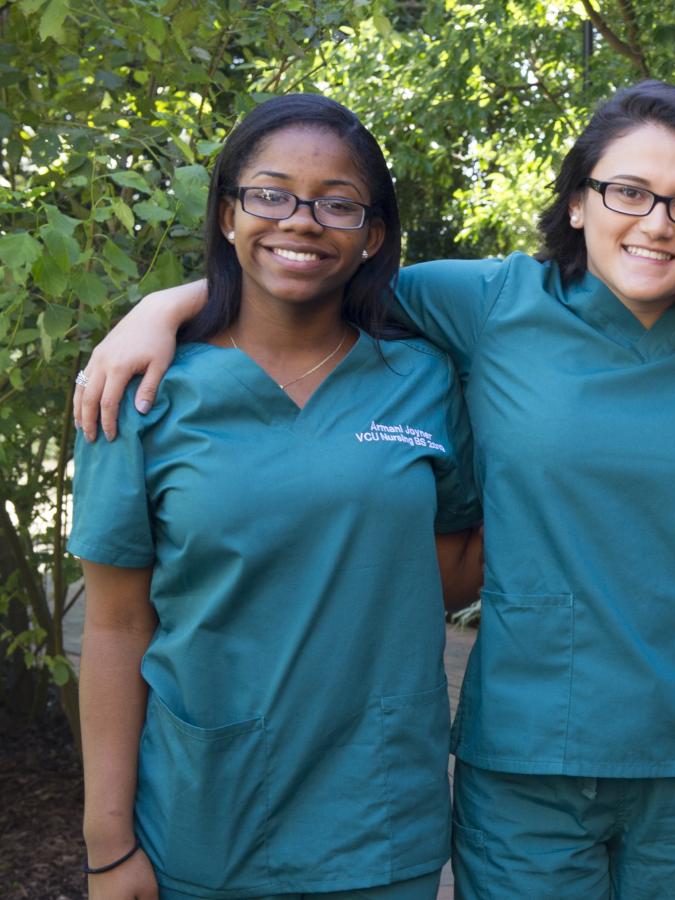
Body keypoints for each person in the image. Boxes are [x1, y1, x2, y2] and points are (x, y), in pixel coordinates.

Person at [73, 80, 675, 898]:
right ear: (576, 202)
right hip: (527, 747)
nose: (655, 220)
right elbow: (315, 269)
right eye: (626, 190)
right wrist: (161, 308)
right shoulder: (489, 303)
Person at [74, 94, 483, 900]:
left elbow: (453, 565)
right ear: (228, 214)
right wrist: (107, 843)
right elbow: (117, 626)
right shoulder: (144, 390)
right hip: (201, 821)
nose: (302, 220)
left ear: (371, 235)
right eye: (270, 194)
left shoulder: (424, 380)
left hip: (378, 821)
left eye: (337, 202)